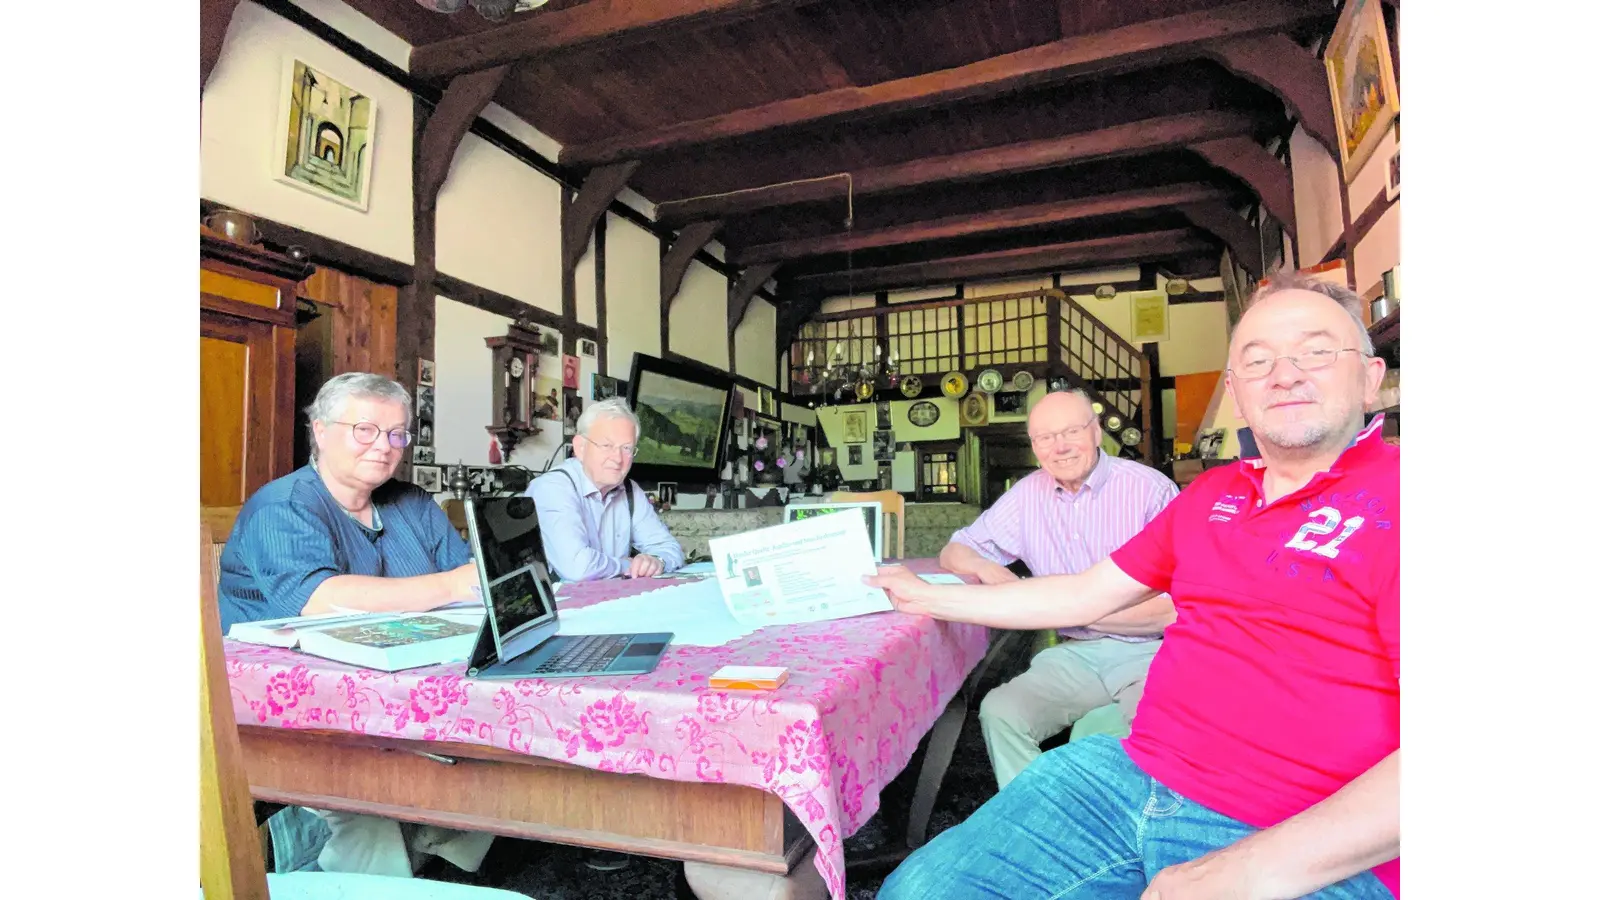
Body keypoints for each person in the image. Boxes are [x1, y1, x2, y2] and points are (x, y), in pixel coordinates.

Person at [871, 273, 1400, 899]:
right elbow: (1082, 593)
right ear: (1236, 391)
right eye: (1258, 360)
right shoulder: (1212, 495)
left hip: (1308, 829)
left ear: (1369, 377)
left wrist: (1244, 870)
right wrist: (925, 595)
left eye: (1316, 351)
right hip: (1135, 774)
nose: (1284, 375)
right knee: (917, 891)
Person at [216, 372, 494, 878]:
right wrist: (452, 585)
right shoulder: (283, 506)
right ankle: (371, 868)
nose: (384, 446)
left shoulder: (411, 503)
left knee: (489, 747)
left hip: (395, 686)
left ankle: (432, 856)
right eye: (365, 429)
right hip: (290, 711)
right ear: (321, 431)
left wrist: (467, 585)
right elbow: (320, 599)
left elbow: (471, 586)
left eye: (397, 434)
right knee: (372, 786)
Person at [940, 388, 1178, 789]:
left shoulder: (1149, 490)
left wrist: (1060, 606)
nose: (1060, 447)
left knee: (1142, 740)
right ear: (1034, 446)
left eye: (1071, 431)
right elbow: (955, 550)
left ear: (1096, 431)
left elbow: (1177, 607)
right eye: (1045, 437)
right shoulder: (1027, 495)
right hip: (1076, 653)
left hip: (1152, 651)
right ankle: (1042, 815)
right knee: (1001, 712)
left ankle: (1133, 823)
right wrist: (985, 567)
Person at [527, 396, 685, 581]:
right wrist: (628, 565)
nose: (617, 458)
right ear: (580, 447)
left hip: (610, 596)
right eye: (606, 445)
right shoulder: (553, 488)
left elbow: (670, 548)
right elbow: (577, 567)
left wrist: (657, 561)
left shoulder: (630, 490)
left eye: (626, 448)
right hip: (560, 598)